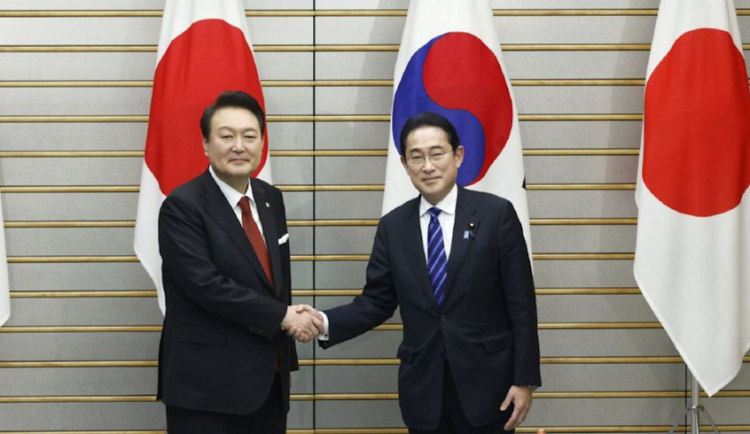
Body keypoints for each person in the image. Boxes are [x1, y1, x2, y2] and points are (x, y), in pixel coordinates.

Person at [298, 112, 541, 433]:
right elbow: (377, 301)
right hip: (424, 392)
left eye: (437, 153)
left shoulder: (496, 215)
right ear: (404, 164)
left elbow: (521, 303)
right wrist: (323, 322)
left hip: (489, 388)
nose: (428, 165)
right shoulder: (394, 227)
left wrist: (524, 380)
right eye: (416, 156)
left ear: (458, 156)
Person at [156, 90, 322, 434]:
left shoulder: (269, 199)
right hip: (206, 389)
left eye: (249, 136)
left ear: (262, 143)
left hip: (268, 383)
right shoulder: (182, 206)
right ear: (205, 144)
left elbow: (273, 282)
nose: (239, 146)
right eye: (226, 136)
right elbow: (206, 285)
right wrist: (282, 316)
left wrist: (289, 320)